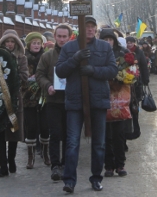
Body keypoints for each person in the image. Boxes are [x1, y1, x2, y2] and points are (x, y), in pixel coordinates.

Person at [56, 16, 118, 193]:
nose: (89, 30)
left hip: (98, 101)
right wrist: (75, 59)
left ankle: (96, 178)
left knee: (99, 143)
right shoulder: (69, 48)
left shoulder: (104, 47)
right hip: (75, 102)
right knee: (72, 142)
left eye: (92, 27)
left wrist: (94, 71)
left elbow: (112, 70)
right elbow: (60, 71)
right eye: (86, 26)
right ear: (80, 29)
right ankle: (69, 180)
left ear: (96, 30)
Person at [36, 23, 73, 181]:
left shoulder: (74, 54)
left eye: (65, 36)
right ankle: (55, 165)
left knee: (68, 135)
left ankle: (66, 164)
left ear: (69, 37)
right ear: (55, 36)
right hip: (53, 100)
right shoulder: (47, 56)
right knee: (55, 133)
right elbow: (39, 75)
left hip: (71, 101)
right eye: (59, 36)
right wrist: (48, 85)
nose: (62, 39)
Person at [0, 29, 29, 177]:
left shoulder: (21, 58)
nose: (9, 44)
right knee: (1, 134)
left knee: (13, 131)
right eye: (7, 42)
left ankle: (11, 159)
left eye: (12, 42)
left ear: (16, 43)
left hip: (15, 99)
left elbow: (24, 76)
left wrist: (11, 75)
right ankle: (3, 165)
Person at [99, 29, 131, 178]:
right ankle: (109, 166)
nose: (108, 42)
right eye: (104, 40)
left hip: (119, 99)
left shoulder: (123, 54)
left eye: (110, 39)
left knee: (119, 134)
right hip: (102, 98)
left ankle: (120, 164)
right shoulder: (97, 54)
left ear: (114, 40)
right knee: (105, 135)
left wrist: (123, 80)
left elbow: (132, 74)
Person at [21, 32, 49, 169]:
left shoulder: (46, 57)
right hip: (29, 97)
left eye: (39, 43)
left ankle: (45, 153)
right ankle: (30, 157)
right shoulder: (24, 58)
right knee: (30, 126)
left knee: (45, 125)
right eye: (34, 43)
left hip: (44, 96)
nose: (36, 45)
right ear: (29, 45)